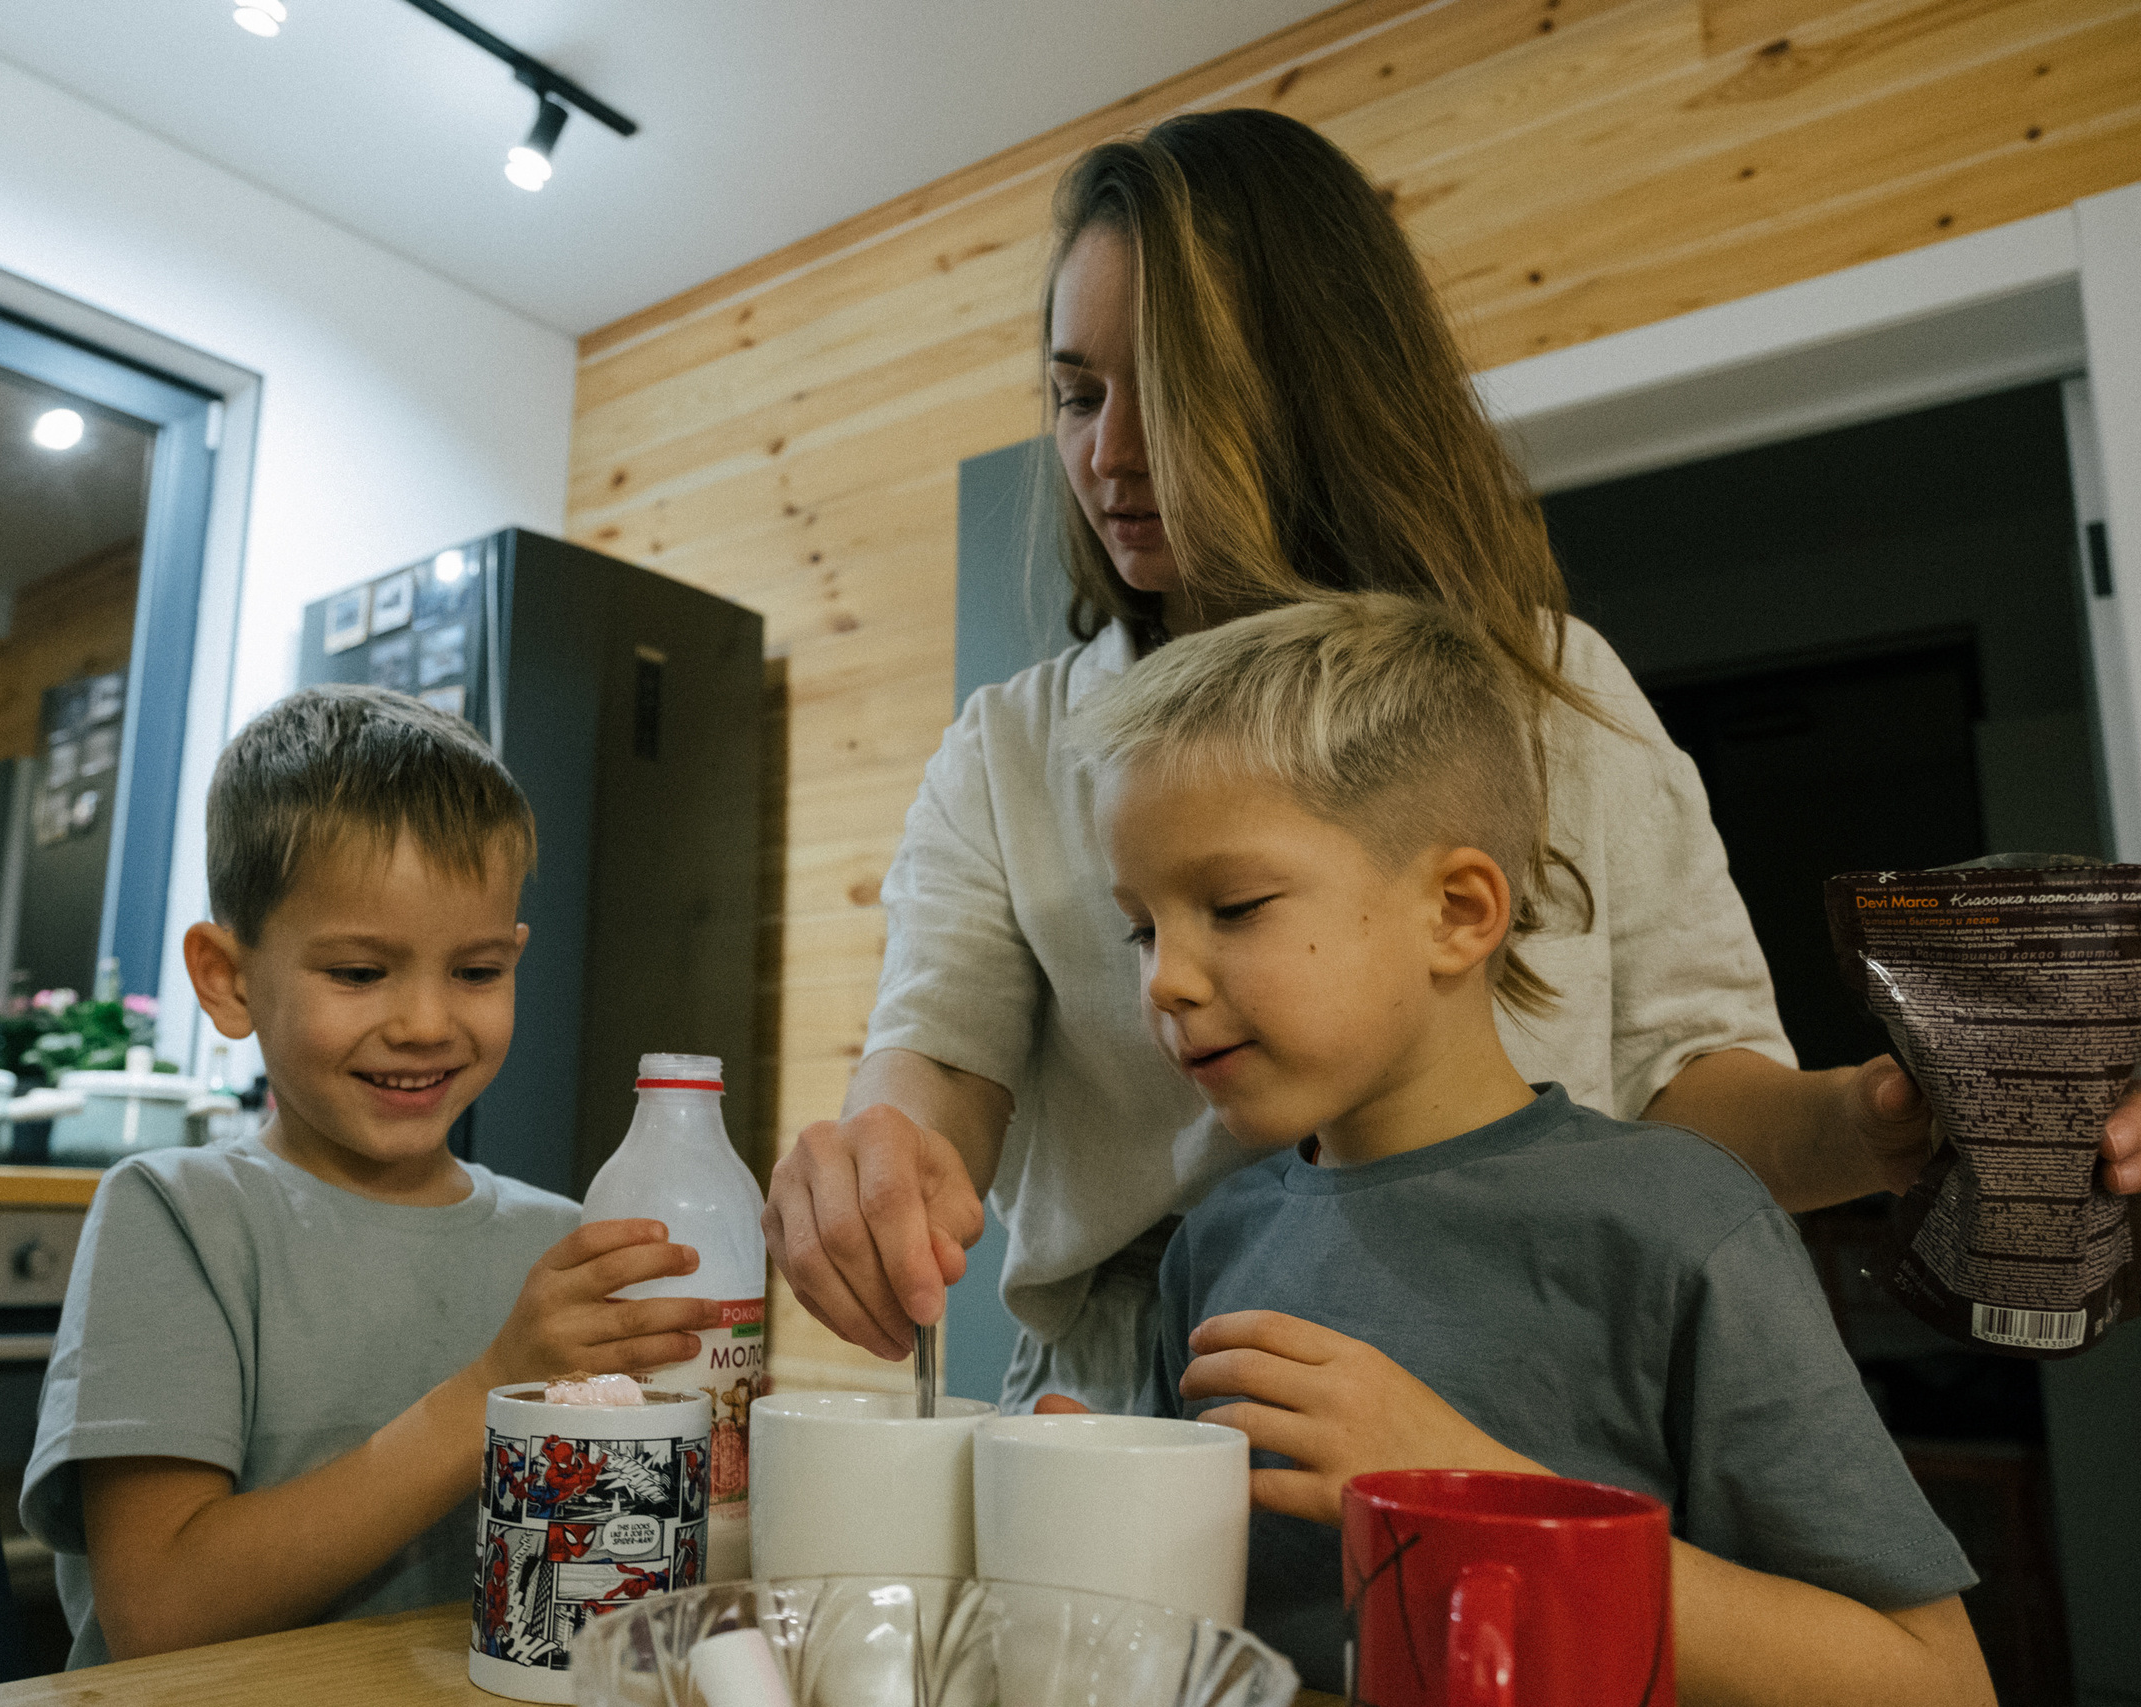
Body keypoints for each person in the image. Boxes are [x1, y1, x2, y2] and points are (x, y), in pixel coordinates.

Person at [762, 108, 2141, 1411]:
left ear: (1319, 388)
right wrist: (879, 1160)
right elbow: (934, 1060)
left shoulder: (1555, 695)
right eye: (1075, 395)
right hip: (1141, 1403)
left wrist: (1885, 1116)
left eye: (1167, 393)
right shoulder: (1008, 750)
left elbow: (1684, 1095)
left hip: (1520, 1374)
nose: (1107, 454)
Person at [1076, 592, 1993, 1704]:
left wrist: (1475, 1497)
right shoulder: (1214, 1245)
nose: (1164, 980)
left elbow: (1932, 1681)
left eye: (1234, 906)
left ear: (1459, 912)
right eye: (1142, 927)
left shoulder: (1677, 1221)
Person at [20, 686, 717, 1665]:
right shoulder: (178, 1215)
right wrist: (492, 1391)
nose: (428, 1023)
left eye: (476, 972)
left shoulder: (560, 1245)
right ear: (226, 977)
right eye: (357, 973)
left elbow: (601, 1583)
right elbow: (159, 1613)